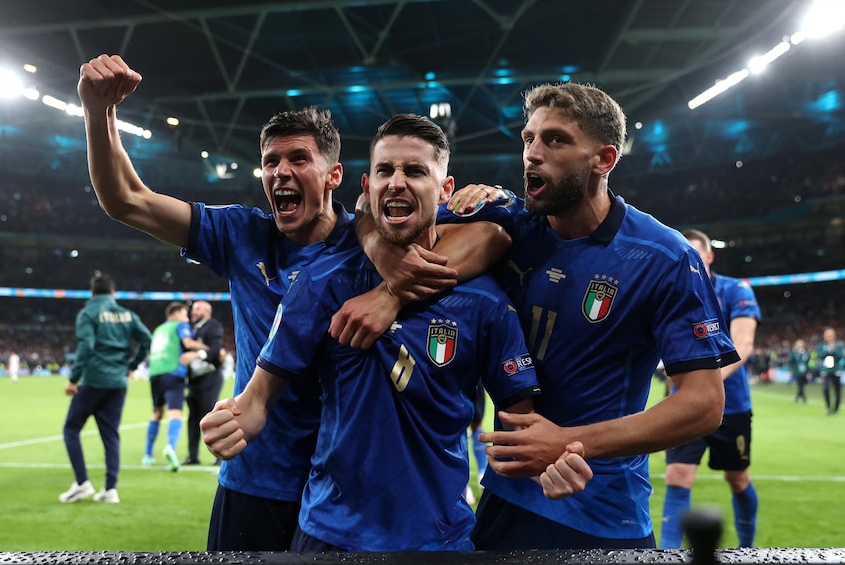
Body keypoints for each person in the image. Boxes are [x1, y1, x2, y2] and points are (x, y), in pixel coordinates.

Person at [78, 54, 507, 551]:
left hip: (342, 491)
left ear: (334, 176)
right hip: (255, 478)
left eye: (298, 159)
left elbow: (489, 236)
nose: (281, 171)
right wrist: (97, 111)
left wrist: (387, 275)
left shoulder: (376, 240)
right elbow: (126, 199)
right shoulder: (241, 234)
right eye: (270, 161)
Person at [201, 114, 592, 552]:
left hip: (438, 541)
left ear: (446, 190)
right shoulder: (319, 283)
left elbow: (523, 425)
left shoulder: (487, 303)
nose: (398, 182)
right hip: (328, 535)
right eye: (386, 170)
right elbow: (256, 400)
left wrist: (551, 462)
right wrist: (234, 420)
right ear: (367, 188)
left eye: (415, 171)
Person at [431, 82, 737, 549]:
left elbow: (703, 403)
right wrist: (389, 293)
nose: (532, 153)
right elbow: (375, 222)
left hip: (602, 513)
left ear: (605, 159)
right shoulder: (511, 223)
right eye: (528, 138)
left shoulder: (663, 255)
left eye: (555, 140)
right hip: (507, 497)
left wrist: (570, 442)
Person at [660, 229, 762, 549]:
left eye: (696, 253)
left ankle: (747, 550)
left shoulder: (736, 290)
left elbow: (743, 345)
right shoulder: (671, 293)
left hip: (730, 406)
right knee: (677, 477)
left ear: (709, 256)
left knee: (737, 479)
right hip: (683, 404)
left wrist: (700, 384)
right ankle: (669, 556)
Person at [59, 274, 152, 504]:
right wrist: (131, 365)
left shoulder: (88, 313)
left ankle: (82, 483)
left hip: (94, 380)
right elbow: (147, 339)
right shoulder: (127, 314)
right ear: (113, 293)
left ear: (92, 293)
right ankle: (111, 489)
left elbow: (87, 347)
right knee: (110, 435)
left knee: (71, 428)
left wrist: (73, 379)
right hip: (118, 383)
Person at [143, 301, 206, 472]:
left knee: (157, 412)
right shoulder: (180, 325)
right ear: (177, 313)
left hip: (155, 373)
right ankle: (170, 447)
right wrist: (206, 348)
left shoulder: (158, 329)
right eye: (185, 314)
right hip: (173, 372)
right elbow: (188, 343)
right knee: (175, 413)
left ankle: (147, 455)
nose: (187, 318)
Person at [182, 300, 226, 466]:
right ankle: (193, 456)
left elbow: (216, 348)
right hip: (194, 379)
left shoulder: (213, 326)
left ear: (208, 311)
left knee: (210, 416)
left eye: (197, 309)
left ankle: (220, 456)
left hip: (209, 377)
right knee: (193, 418)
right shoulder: (192, 328)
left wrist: (196, 354)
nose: (193, 311)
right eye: (193, 309)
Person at [817, 327, 845, 416]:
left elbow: (840, 356)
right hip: (826, 370)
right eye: (827, 335)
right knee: (826, 388)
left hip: (836, 369)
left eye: (831, 335)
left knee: (837, 390)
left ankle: (836, 409)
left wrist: (834, 349)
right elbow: (820, 355)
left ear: (834, 335)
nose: (829, 337)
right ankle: (828, 407)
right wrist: (828, 349)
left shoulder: (839, 345)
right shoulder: (821, 345)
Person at [789, 339, 811, 404]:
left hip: (804, 372)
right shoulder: (794, 353)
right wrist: (790, 370)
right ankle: (803, 397)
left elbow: (808, 363)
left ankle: (798, 396)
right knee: (800, 384)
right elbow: (790, 362)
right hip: (797, 371)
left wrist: (809, 372)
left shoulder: (806, 353)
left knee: (802, 385)